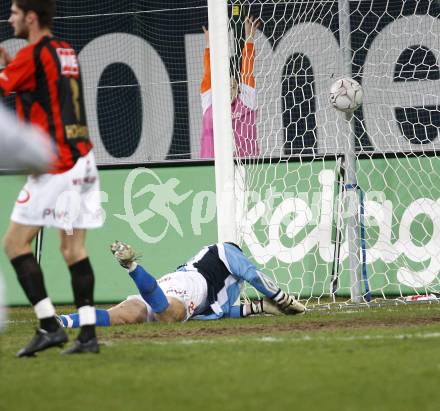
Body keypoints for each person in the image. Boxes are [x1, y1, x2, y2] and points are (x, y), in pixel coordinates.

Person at [0, 0, 103, 356]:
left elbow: (7, 85)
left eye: (13, 12)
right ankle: (88, 335)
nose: (9, 18)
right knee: (73, 249)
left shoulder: (32, 55)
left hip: (56, 167)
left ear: (30, 17)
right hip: (84, 161)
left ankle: (48, 325)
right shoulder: (64, 50)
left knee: (14, 244)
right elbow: (37, 83)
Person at [58, 241, 305, 328]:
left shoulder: (228, 289)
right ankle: (132, 267)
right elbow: (253, 274)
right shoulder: (224, 250)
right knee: (169, 316)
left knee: (122, 316)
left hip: (172, 286)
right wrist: (281, 297)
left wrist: (260, 307)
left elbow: (220, 312)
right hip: (189, 286)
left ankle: (64, 321)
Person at [0, 101, 53, 333]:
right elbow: (40, 156)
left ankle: (53, 323)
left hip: (66, 168)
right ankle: (53, 323)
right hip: (67, 165)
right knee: (72, 249)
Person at [200, 16, 259, 158]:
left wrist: (249, 37)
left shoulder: (246, 101)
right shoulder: (210, 103)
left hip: (247, 164)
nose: (229, 90)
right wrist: (209, 43)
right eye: (225, 86)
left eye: (232, 86)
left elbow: (247, 69)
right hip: (210, 166)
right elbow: (208, 73)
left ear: (238, 88)